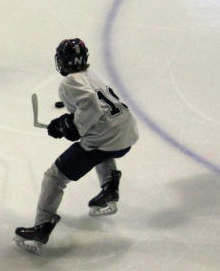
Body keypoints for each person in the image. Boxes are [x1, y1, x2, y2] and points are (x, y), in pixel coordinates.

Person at [14, 39, 139, 255]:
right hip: (126, 132)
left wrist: (69, 126)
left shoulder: (69, 82)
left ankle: (41, 227)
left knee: (54, 177)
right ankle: (109, 188)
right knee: (99, 147)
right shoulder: (92, 76)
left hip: (106, 138)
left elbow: (89, 104)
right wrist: (67, 123)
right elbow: (95, 104)